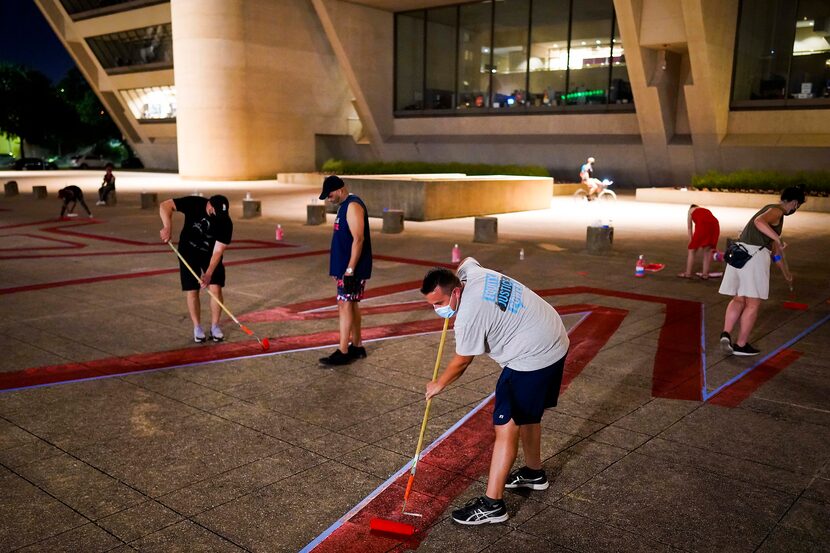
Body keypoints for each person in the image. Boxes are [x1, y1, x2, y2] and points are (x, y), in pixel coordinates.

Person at [421, 258, 570, 525]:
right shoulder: (470, 273)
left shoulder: (468, 317)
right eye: (432, 304)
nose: (437, 309)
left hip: (532, 354)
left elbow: (463, 360)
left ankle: (493, 505)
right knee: (528, 414)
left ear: (456, 292)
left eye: (439, 303)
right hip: (552, 336)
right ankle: (534, 473)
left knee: (506, 424)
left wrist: (439, 383)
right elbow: (466, 260)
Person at [719, 187, 805, 356]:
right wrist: (778, 238)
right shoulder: (777, 211)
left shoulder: (769, 208)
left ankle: (726, 333)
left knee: (738, 299)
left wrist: (786, 273)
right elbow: (759, 222)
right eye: (798, 205)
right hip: (753, 258)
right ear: (795, 203)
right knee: (753, 303)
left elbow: (775, 253)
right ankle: (741, 345)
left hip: (739, 255)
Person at [159, 194, 233, 343]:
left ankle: (215, 326)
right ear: (210, 206)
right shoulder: (195, 203)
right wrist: (167, 226)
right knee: (192, 289)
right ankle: (197, 327)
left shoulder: (226, 222)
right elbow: (165, 205)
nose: (219, 218)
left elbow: (218, 250)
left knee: (216, 288)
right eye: (216, 213)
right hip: (188, 251)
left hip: (210, 254)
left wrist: (209, 273)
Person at [318, 175, 372, 366]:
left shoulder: (353, 205)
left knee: (345, 305)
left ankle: (343, 351)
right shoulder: (344, 206)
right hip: (346, 268)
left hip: (351, 269)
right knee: (352, 304)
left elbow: (359, 239)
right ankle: (357, 346)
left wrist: (350, 269)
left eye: (329, 194)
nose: (328, 198)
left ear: (340, 189)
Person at [678, 204, 720, 279]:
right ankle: (705, 274)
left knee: (692, 250)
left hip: (703, 224)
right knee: (707, 251)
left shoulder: (690, 210)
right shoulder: (704, 209)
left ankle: (688, 273)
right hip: (715, 224)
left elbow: (689, 228)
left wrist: (691, 241)